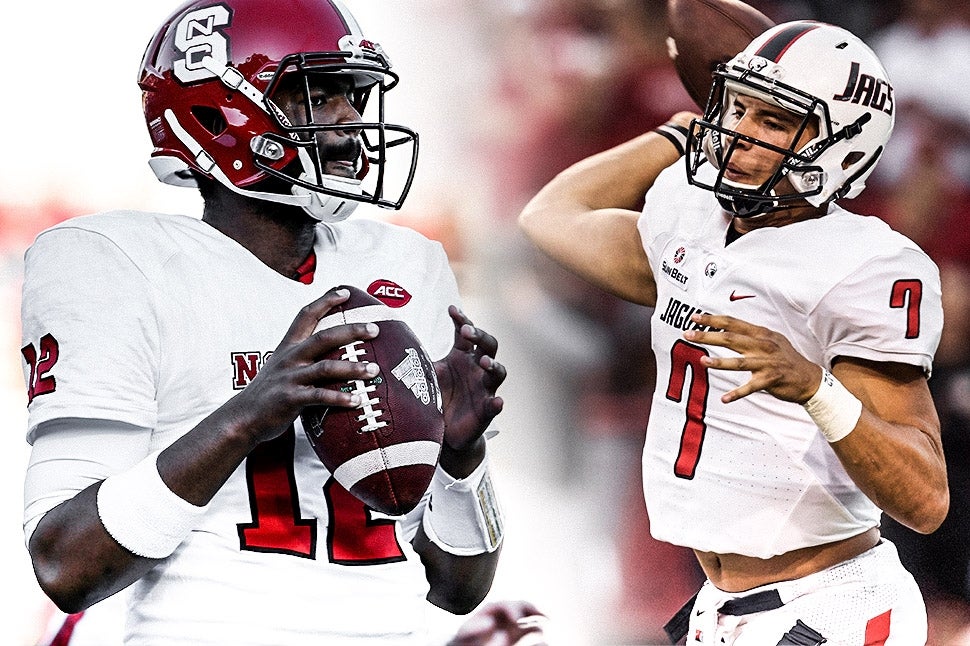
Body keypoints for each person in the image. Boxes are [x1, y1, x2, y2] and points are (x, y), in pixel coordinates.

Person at [20, 0, 508, 644]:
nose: (351, 126)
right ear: (222, 112)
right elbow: (64, 563)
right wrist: (248, 414)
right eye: (319, 97)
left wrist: (460, 455)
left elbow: (459, 587)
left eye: (355, 97)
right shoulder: (118, 264)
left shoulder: (404, 267)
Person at [519, 19, 947, 645]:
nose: (740, 132)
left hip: (831, 603)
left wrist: (813, 387)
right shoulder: (689, 216)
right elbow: (550, 216)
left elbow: (925, 498)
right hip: (719, 605)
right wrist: (678, 133)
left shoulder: (863, 266)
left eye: (773, 121)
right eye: (735, 107)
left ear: (843, 148)